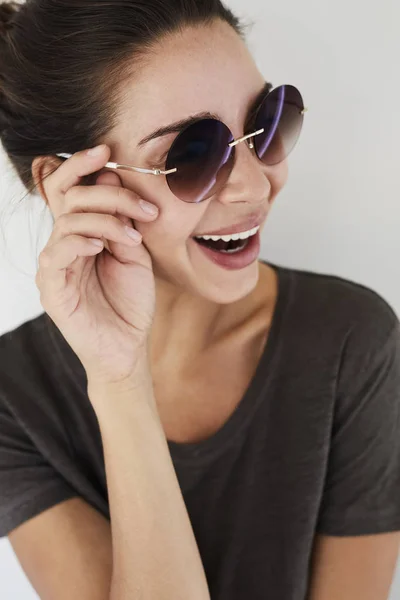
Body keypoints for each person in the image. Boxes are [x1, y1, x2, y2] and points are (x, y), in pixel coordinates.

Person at [0, 1, 399, 599]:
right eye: (192, 154)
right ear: (77, 185)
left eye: (267, 122)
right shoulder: (13, 395)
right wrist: (119, 380)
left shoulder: (350, 340)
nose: (257, 184)